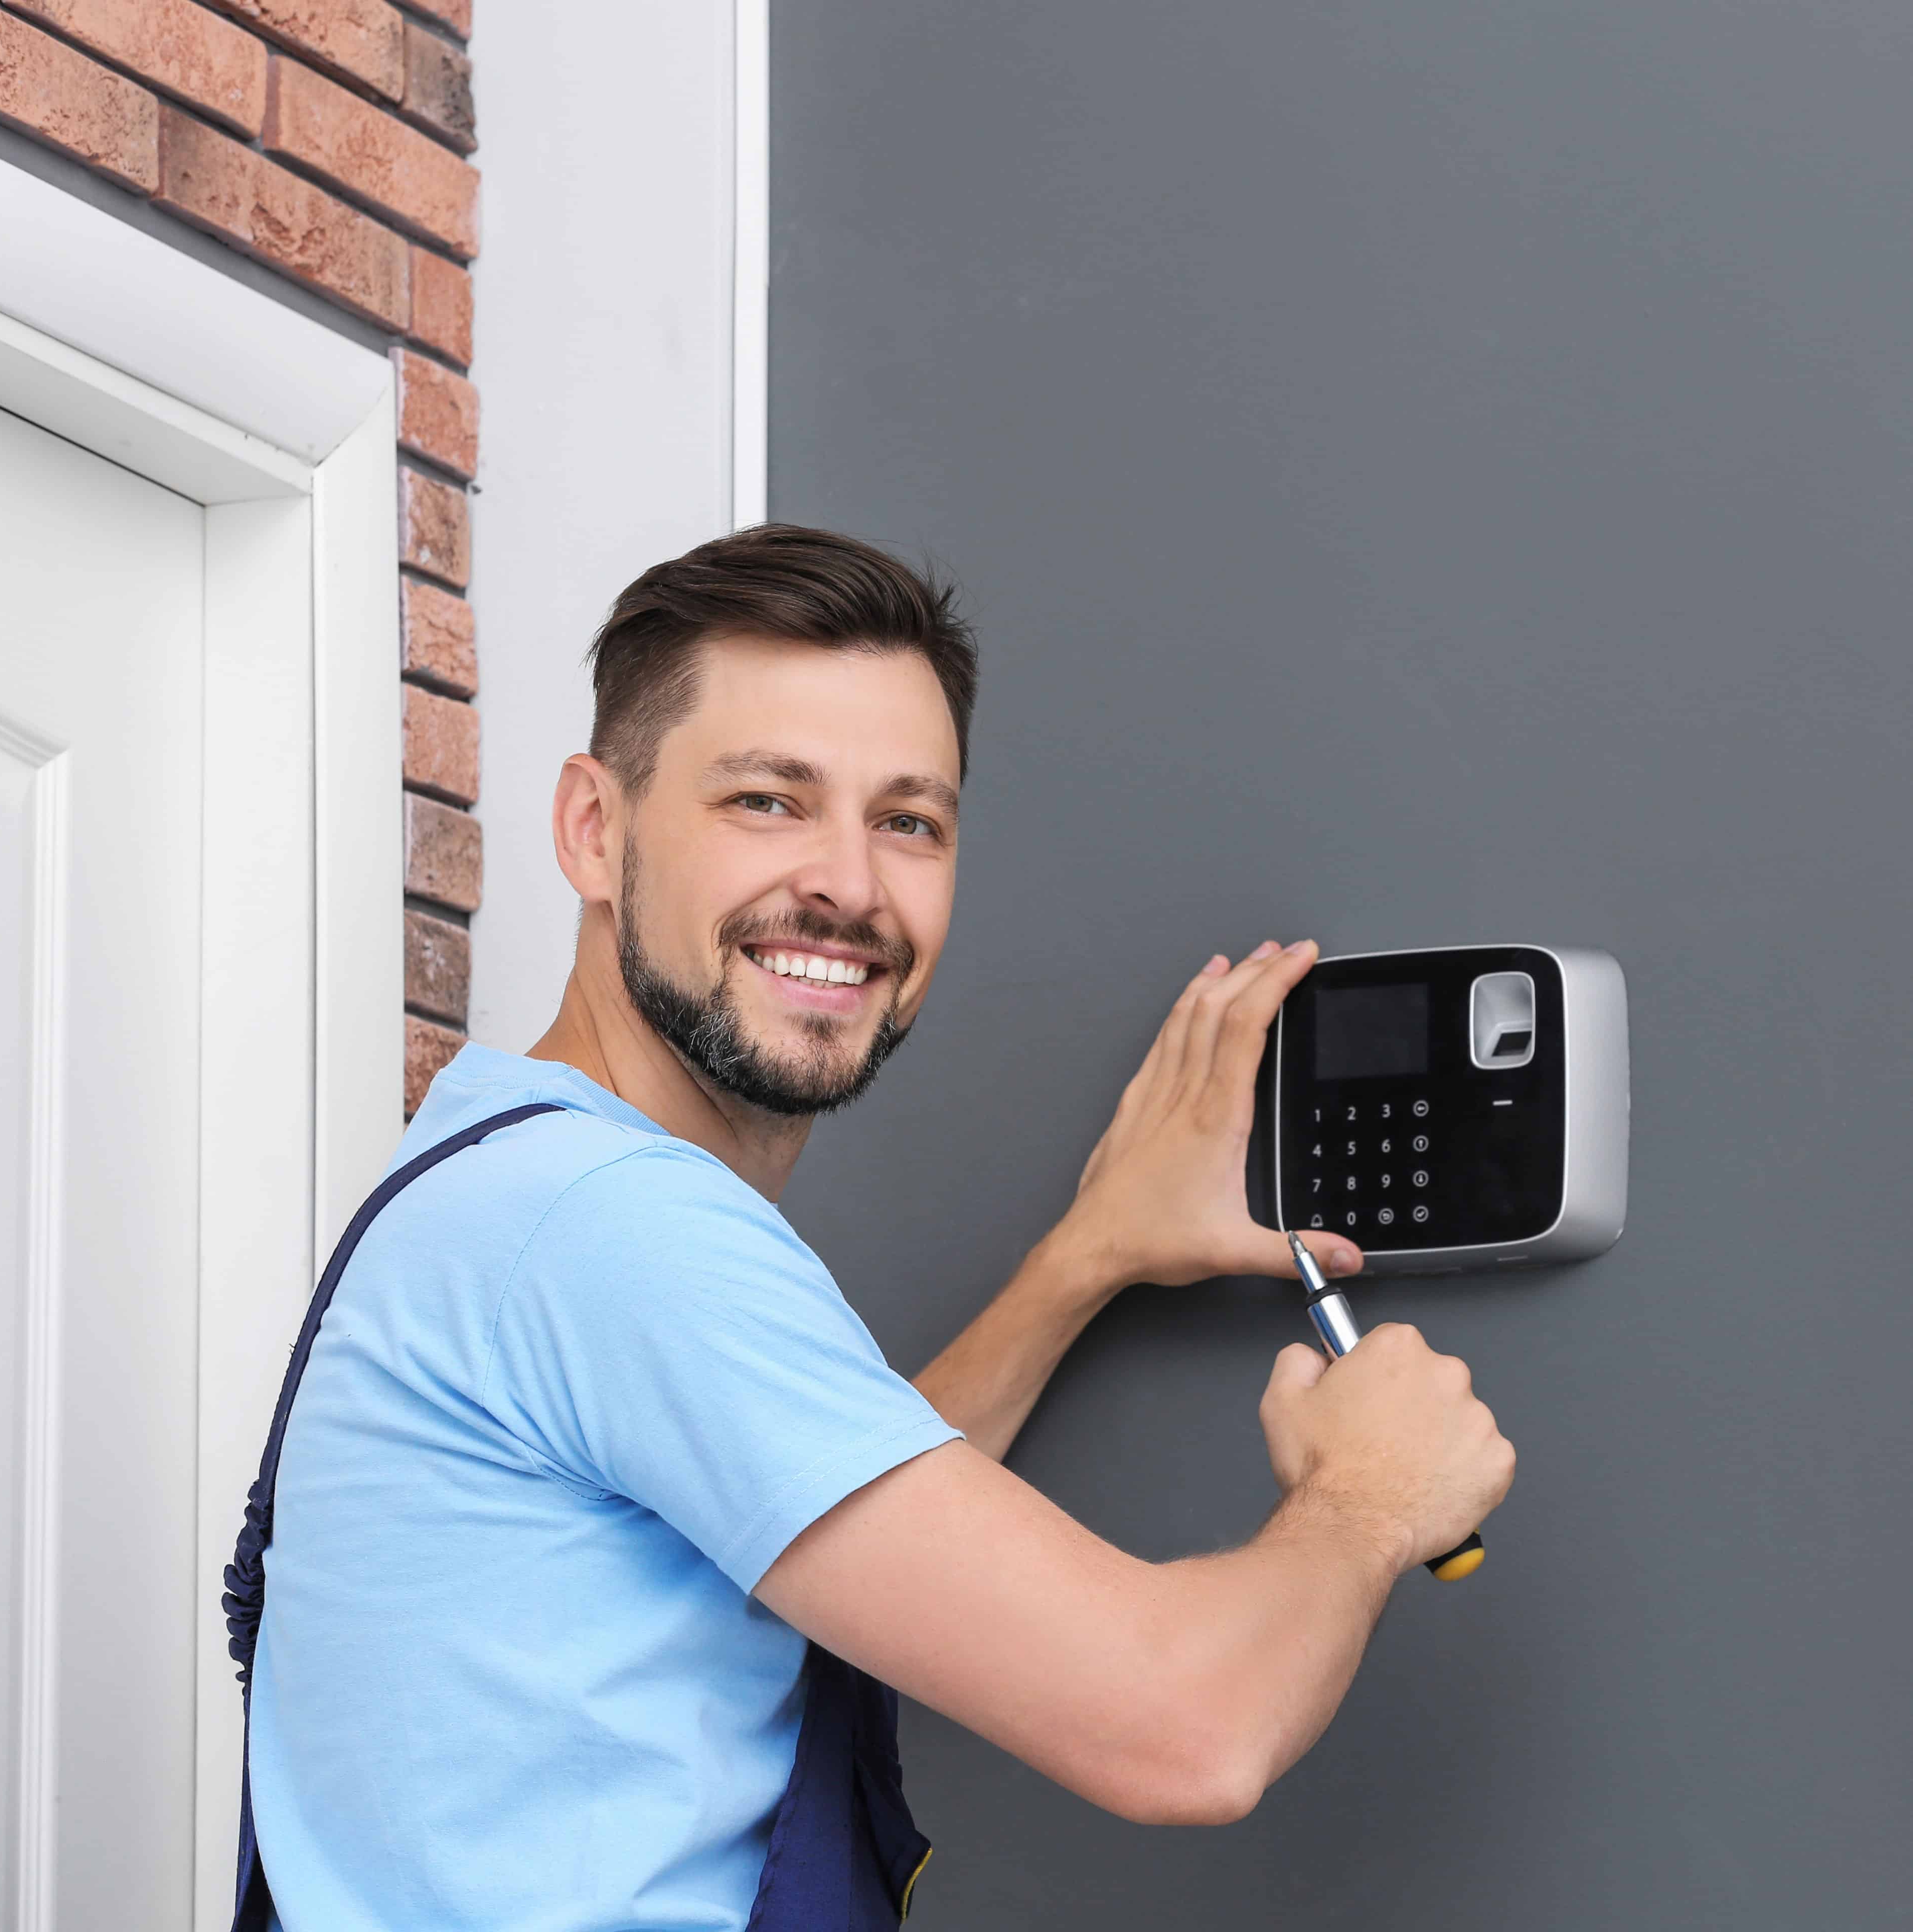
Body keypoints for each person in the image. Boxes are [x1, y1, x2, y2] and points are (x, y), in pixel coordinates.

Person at [245, 525, 1515, 1930]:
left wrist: (1085, 1255)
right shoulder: (614, 1231)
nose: (851, 886)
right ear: (595, 832)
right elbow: (1187, 1731)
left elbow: (820, 1530)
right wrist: (1375, 1495)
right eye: (769, 802)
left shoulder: (500, 1175)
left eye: (908, 820)